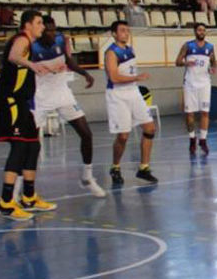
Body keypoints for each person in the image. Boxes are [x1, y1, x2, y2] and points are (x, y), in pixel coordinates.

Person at [0, 10, 56, 220]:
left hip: (22, 103)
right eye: (38, 23)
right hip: (9, 102)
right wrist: (32, 65)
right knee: (19, 146)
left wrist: (46, 67)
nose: (42, 26)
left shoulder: (30, 45)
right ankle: (6, 202)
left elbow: (23, 67)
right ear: (27, 25)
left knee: (32, 145)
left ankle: (29, 197)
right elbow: (13, 57)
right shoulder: (22, 39)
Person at [30, 16, 105, 197]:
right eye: (48, 29)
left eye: (54, 29)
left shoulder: (60, 39)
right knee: (30, 145)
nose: (52, 33)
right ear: (41, 31)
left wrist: (84, 73)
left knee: (86, 134)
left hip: (62, 93)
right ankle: (23, 188)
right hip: (40, 96)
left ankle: (87, 177)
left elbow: (68, 60)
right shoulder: (32, 46)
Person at [105, 21, 158, 185]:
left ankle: (144, 168)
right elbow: (113, 77)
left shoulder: (130, 49)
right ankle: (115, 167)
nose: (126, 33)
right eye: (122, 30)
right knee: (123, 136)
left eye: (127, 30)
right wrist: (136, 78)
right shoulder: (111, 53)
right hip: (118, 94)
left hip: (133, 92)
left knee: (150, 128)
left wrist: (134, 80)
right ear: (114, 33)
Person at [176, 23, 216, 155]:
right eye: (199, 30)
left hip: (205, 83)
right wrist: (185, 62)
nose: (201, 32)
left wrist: (213, 68)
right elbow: (177, 62)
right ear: (195, 31)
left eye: (204, 30)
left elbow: (214, 62)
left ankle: (203, 140)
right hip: (190, 83)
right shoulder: (188, 46)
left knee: (205, 112)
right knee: (190, 113)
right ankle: (192, 138)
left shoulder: (210, 47)